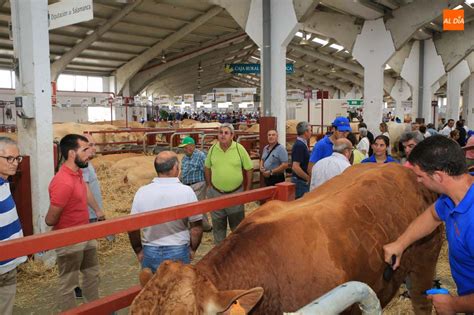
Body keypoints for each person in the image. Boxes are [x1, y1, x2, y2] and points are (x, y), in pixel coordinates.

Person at [383, 135, 474, 314]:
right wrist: (400, 243)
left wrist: (455, 305)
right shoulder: (453, 197)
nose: (417, 181)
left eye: (420, 176)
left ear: (438, 176)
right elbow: (432, 215)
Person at [46, 134, 100, 311]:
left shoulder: (77, 173)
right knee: (69, 283)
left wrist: (98, 211)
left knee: (92, 274)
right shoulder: (62, 182)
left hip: (85, 232)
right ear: (71, 153)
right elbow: (51, 219)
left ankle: (94, 309)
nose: (89, 153)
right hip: (69, 238)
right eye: (84, 149)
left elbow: (85, 189)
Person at [128, 151, 203, 273]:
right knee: (178, 289)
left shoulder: (142, 192)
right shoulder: (186, 191)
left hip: (150, 251)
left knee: (154, 290)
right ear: (175, 168)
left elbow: (132, 227)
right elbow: (196, 227)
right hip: (178, 249)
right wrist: (193, 249)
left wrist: (138, 250)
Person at [205, 123, 253, 244]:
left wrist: (247, 190)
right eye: (220, 133)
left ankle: (237, 253)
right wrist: (209, 186)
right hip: (216, 193)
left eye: (226, 133)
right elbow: (207, 167)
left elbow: (249, 168)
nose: (223, 135)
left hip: (235, 194)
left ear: (232, 135)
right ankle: (219, 253)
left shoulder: (239, 148)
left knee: (237, 228)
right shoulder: (213, 149)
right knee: (218, 226)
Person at [0, 137, 26, 315]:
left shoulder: (5, 182)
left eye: (17, 158)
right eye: (9, 158)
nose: (15, 163)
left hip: (9, 263)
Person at [178, 136, 212, 232]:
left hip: (198, 184)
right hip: (186, 186)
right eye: (184, 148)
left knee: (196, 206)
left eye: (186, 147)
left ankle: (203, 226)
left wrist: (208, 184)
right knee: (193, 206)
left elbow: (206, 170)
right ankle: (203, 226)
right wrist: (178, 181)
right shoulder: (184, 158)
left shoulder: (200, 156)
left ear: (192, 146)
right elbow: (183, 171)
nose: (184, 149)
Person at [291, 121, 311, 199]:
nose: (311, 132)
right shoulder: (299, 145)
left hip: (300, 181)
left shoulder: (301, 144)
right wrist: (307, 178)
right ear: (305, 132)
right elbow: (295, 167)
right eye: (310, 130)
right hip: (300, 182)